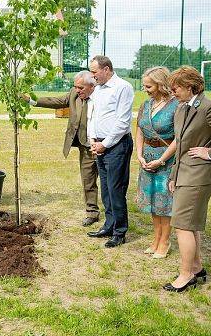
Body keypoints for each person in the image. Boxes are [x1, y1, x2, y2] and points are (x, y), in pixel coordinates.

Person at [163, 66, 211, 293]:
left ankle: (186, 275)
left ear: (190, 86)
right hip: (184, 173)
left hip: (199, 175)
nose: (172, 92)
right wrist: (173, 175)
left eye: (175, 87)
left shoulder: (209, 108)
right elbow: (180, 144)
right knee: (191, 223)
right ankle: (196, 268)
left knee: (182, 224)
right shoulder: (181, 108)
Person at [24, 70, 99, 226]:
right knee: (88, 179)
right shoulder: (74, 93)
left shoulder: (101, 95)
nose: (77, 90)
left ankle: (114, 214)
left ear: (92, 85)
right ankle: (92, 212)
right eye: (75, 87)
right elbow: (56, 101)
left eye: (81, 88)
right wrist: (32, 101)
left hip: (104, 144)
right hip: (85, 145)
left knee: (108, 181)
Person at [87, 55, 134, 248]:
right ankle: (109, 225)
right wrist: (92, 139)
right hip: (99, 145)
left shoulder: (123, 88)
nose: (92, 76)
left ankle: (119, 231)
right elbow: (92, 116)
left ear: (106, 69)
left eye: (94, 71)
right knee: (105, 189)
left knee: (116, 189)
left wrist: (105, 143)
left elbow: (123, 122)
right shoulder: (97, 90)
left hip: (116, 146)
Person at [136, 67, 178, 259]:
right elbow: (139, 130)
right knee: (152, 200)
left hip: (166, 159)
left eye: (149, 86)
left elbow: (180, 138)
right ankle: (156, 238)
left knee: (164, 202)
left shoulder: (176, 105)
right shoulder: (146, 104)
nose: (145, 89)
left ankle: (165, 241)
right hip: (147, 157)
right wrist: (139, 155)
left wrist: (161, 160)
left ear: (161, 85)